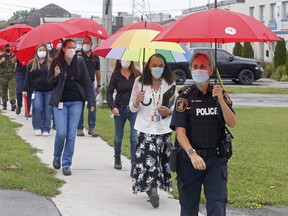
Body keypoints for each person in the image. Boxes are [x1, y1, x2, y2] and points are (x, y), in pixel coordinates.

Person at [170, 52, 236, 216]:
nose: (199, 70)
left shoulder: (220, 94)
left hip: (216, 161)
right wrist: (192, 154)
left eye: (203, 66)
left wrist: (220, 99)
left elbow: (232, 122)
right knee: (188, 209)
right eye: (195, 67)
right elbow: (180, 132)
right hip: (189, 161)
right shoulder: (184, 98)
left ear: (211, 69)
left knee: (217, 208)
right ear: (190, 69)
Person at [129, 53, 176, 208]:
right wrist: (137, 100)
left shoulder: (170, 83)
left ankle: (153, 187)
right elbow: (132, 107)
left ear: (164, 67)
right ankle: (153, 191)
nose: (157, 68)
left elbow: (177, 106)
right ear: (149, 66)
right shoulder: (140, 82)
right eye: (154, 65)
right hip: (145, 128)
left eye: (160, 66)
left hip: (163, 128)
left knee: (160, 161)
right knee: (149, 160)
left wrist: (169, 111)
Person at [47, 38, 95, 176]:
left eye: (74, 47)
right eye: (69, 47)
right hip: (60, 102)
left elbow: (87, 83)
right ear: (63, 48)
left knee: (71, 135)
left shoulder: (79, 62)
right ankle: (57, 156)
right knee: (61, 133)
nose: (72, 50)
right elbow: (49, 83)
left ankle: (66, 163)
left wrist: (91, 103)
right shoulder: (56, 62)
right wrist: (55, 75)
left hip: (76, 102)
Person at [107, 60, 141, 174]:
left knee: (134, 137)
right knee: (118, 138)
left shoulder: (137, 74)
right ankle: (117, 157)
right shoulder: (116, 74)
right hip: (119, 109)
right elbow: (109, 92)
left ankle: (134, 163)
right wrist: (112, 107)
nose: (125, 61)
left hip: (134, 109)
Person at [22, 44, 53, 136]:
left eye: (44, 50)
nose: (42, 52)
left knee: (47, 110)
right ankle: (37, 127)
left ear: (46, 52)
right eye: (40, 50)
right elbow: (27, 78)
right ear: (36, 51)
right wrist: (25, 89)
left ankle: (46, 128)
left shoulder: (51, 63)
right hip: (36, 90)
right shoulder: (31, 63)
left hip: (49, 90)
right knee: (37, 107)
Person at [77, 35, 101, 138]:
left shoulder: (95, 57)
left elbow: (98, 71)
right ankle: (80, 128)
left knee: (92, 106)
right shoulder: (78, 56)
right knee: (79, 106)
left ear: (91, 44)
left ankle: (91, 128)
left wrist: (99, 85)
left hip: (90, 84)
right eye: (84, 43)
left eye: (87, 43)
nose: (85, 45)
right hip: (79, 85)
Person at [0, 44, 17, 111]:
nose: (8, 48)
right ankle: (4, 103)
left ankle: (13, 103)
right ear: (4, 49)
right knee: (3, 90)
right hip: (3, 76)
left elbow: (18, 63)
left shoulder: (13, 56)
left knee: (12, 89)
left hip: (12, 75)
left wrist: (15, 59)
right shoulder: (1, 56)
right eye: (6, 47)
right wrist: (1, 61)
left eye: (9, 47)